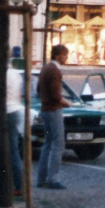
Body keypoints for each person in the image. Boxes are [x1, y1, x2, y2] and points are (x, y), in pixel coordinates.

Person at [36, 44, 71, 189]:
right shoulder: (55, 70)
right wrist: (66, 103)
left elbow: (38, 89)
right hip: (54, 110)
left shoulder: (45, 68)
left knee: (48, 143)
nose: (66, 58)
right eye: (65, 55)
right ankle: (53, 179)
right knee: (58, 144)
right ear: (58, 55)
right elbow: (56, 95)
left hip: (45, 109)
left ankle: (41, 178)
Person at [5, 67, 24, 197]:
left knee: (12, 151)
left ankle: (19, 185)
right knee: (13, 150)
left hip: (7, 111)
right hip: (16, 110)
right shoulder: (16, 74)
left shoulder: (3, 74)